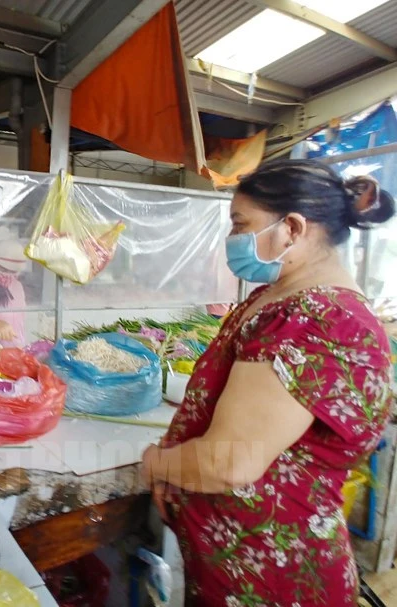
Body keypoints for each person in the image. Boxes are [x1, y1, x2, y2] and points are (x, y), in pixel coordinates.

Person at [141, 160, 395, 607]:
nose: (232, 240)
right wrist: (177, 462)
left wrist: (155, 462)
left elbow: (228, 462)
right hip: (237, 557)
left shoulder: (319, 320)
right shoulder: (277, 296)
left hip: (273, 572)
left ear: (292, 228)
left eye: (241, 225)